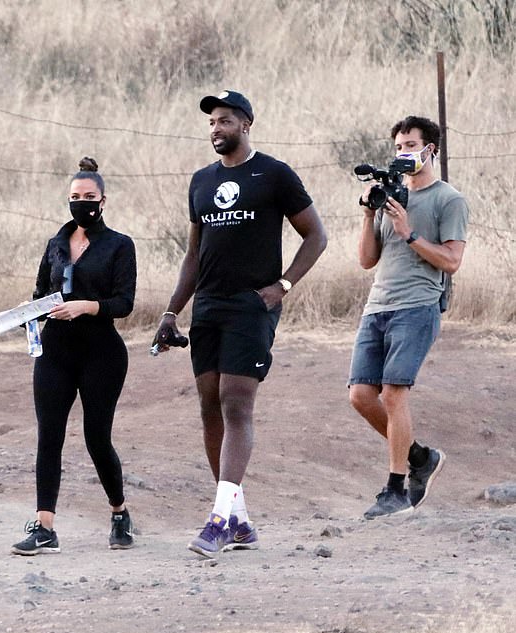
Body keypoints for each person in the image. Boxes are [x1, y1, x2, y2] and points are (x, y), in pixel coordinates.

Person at [152, 90, 327, 557]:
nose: (216, 128)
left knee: (236, 402)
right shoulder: (200, 181)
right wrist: (172, 311)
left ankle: (218, 520)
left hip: (252, 305)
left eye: (225, 120)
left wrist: (283, 286)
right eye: (212, 122)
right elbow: (193, 254)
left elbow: (316, 235)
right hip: (207, 305)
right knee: (210, 405)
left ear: (246, 124)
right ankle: (240, 520)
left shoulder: (273, 174)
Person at [12, 157, 137, 554]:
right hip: (55, 349)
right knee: (49, 434)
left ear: (103, 200)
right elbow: (38, 294)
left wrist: (85, 305)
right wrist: (26, 316)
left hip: (101, 352)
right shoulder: (55, 244)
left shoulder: (119, 245)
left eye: (88, 197)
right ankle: (44, 526)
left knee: (96, 437)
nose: (81, 203)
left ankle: (119, 512)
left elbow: (124, 302)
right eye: (74, 197)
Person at [348, 116, 469, 520]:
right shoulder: (390, 196)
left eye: (411, 145)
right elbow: (367, 261)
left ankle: (396, 489)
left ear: (430, 149)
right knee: (361, 396)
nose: (404, 153)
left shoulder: (447, 199)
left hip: (417, 306)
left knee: (394, 393)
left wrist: (409, 233)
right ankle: (420, 457)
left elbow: (451, 261)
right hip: (377, 306)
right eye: (399, 146)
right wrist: (370, 215)